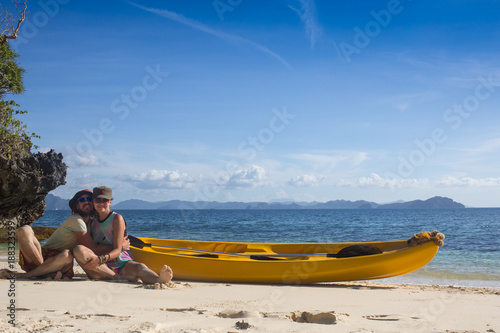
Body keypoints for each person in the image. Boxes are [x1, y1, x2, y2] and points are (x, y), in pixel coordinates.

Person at [1, 189, 128, 280]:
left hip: (61, 262)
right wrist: (119, 247)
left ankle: (40, 274)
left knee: (68, 254)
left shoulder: (94, 223)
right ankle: (42, 272)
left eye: (89, 199)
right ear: (76, 205)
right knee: (24, 229)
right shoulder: (76, 220)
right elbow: (94, 249)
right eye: (82, 200)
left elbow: (92, 249)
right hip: (39, 257)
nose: (87, 202)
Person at [73, 186, 173, 284]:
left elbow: (117, 250)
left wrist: (101, 259)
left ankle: (159, 280)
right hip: (100, 267)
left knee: (140, 267)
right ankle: (118, 277)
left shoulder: (116, 218)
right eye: (98, 200)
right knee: (78, 249)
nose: (101, 203)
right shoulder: (92, 221)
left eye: (105, 200)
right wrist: (99, 260)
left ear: (110, 202)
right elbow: (91, 248)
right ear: (93, 202)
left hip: (120, 262)